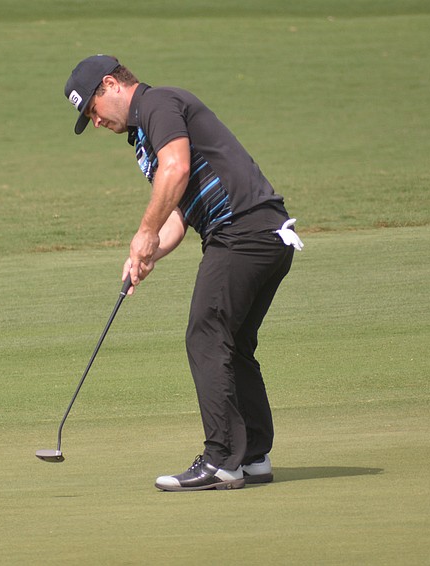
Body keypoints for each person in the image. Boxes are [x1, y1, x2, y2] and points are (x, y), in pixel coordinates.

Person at [64, 55, 303, 491]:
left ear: (110, 85)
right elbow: (180, 212)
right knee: (232, 343)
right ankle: (252, 456)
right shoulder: (144, 130)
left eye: (92, 111)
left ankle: (220, 460)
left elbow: (176, 169)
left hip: (243, 231)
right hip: (261, 234)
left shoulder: (158, 104)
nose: (95, 123)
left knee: (205, 336)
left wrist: (144, 231)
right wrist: (149, 252)